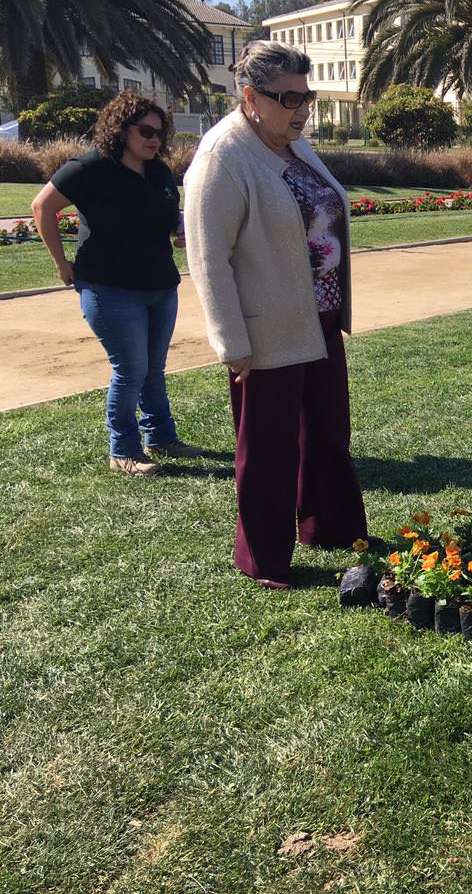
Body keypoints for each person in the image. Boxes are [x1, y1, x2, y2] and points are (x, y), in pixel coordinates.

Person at [184, 40, 368, 590]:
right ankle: (263, 558)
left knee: (329, 433)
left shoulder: (296, 144)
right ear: (250, 96)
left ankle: (331, 528)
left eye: (306, 97)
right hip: (264, 333)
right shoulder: (224, 156)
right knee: (267, 448)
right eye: (288, 98)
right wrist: (230, 341)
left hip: (320, 319)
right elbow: (207, 254)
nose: (301, 110)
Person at [30, 91, 204, 476]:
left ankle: (161, 436)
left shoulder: (157, 171)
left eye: (160, 132)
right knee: (130, 369)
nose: (154, 139)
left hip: (160, 284)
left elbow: (166, 214)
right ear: (120, 129)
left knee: (153, 368)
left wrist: (179, 229)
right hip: (108, 288)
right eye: (145, 130)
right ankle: (123, 450)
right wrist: (61, 263)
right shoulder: (91, 167)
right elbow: (42, 207)